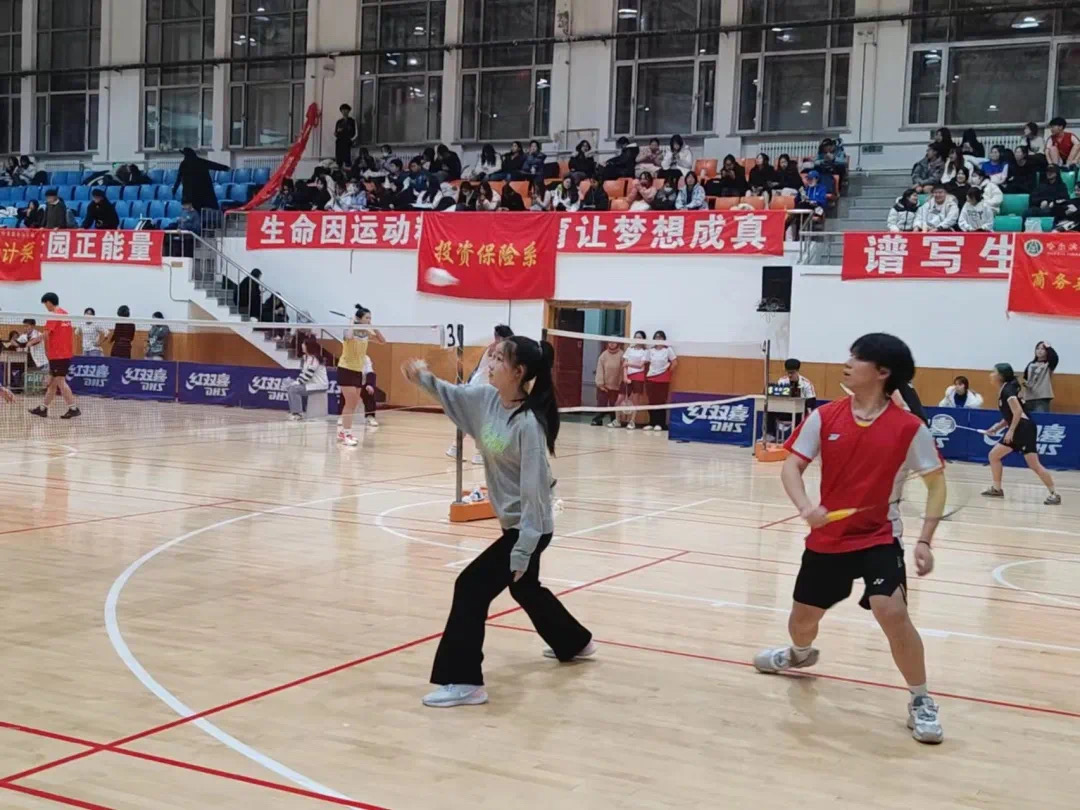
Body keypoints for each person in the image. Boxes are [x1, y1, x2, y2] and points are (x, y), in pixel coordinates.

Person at [754, 332, 946, 745]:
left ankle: (921, 699)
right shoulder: (826, 416)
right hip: (827, 539)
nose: (848, 363)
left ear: (882, 372)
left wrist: (925, 540)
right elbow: (791, 467)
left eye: (858, 358)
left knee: (891, 611)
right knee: (802, 622)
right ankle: (799, 654)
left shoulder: (909, 428)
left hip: (879, 536)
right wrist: (806, 507)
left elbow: (936, 483)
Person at [403, 336, 594, 708]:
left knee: (470, 587)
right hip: (515, 524)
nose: (489, 364)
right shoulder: (487, 400)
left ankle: (465, 681)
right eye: (491, 357)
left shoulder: (528, 426)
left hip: (529, 528)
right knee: (525, 589)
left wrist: (522, 551)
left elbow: (535, 496)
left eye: (498, 360)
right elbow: (452, 395)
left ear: (518, 372)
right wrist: (421, 378)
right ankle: (574, 642)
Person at [981, 363, 1060, 505]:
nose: (991, 374)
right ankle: (997, 489)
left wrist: (1011, 431)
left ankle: (1054, 494)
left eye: (994, 372)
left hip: (1024, 429)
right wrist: (996, 428)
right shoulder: (1005, 389)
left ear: (1000, 376)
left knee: (1034, 464)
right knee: (994, 455)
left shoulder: (1008, 391)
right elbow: (1010, 416)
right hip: (1019, 427)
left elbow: (1017, 411)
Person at [447, 325, 515, 464]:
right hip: (479, 388)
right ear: (499, 338)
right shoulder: (495, 349)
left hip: (480, 386)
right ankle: (479, 454)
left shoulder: (497, 349)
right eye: (507, 339)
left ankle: (455, 448)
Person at [338, 305, 386, 446]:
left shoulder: (366, 333)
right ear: (359, 318)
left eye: (370, 318)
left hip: (358, 371)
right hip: (346, 369)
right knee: (350, 403)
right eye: (367, 318)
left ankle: (343, 432)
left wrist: (373, 327)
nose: (369, 320)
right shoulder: (349, 330)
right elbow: (348, 336)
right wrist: (352, 322)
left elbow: (382, 341)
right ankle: (347, 434)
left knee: (353, 404)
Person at [29, 293, 80, 420]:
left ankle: (73, 408)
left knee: (60, 382)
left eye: (45, 304)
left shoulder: (53, 316)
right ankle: (43, 409)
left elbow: (46, 335)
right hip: (64, 353)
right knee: (52, 383)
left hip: (57, 355)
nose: (46, 307)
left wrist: (32, 342)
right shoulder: (65, 315)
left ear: (49, 302)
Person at [287, 336, 329, 420]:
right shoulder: (306, 357)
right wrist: (296, 381)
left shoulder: (314, 359)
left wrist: (297, 383)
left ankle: (297, 414)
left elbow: (308, 375)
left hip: (319, 385)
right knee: (290, 387)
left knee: (294, 389)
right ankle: (294, 411)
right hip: (310, 384)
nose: (302, 345)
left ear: (308, 346)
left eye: (304, 344)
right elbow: (303, 373)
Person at [644, 331, 676, 432]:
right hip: (651, 378)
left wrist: (667, 372)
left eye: (660, 337)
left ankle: (660, 423)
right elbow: (645, 362)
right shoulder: (650, 351)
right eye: (656, 337)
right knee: (652, 401)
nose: (658, 339)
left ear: (664, 339)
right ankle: (651, 423)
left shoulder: (668, 350)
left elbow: (674, 362)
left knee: (661, 401)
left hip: (663, 378)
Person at [592, 341, 624, 427]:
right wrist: (600, 384)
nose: (612, 344)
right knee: (601, 403)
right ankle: (597, 420)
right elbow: (599, 370)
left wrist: (621, 383)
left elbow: (623, 370)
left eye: (614, 342)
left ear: (617, 343)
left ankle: (614, 421)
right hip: (604, 385)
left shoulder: (622, 355)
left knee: (614, 404)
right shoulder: (603, 355)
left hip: (616, 386)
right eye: (610, 342)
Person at [622, 331, 649, 431]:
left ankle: (632, 421)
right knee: (620, 398)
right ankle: (617, 420)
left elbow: (640, 365)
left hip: (638, 376)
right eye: (636, 337)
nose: (638, 339)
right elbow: (624, 364)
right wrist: (625, 377)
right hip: (628, 376)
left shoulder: (645, 351)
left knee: (635, 400)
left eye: (640, 337)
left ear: (643, 339)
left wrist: (629, 364)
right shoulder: (629, 349)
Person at [1023, 341, 1058, 412]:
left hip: (1042, 397)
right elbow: (1025, 378)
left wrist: (1048, 347)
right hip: (1028, 397)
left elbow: (1055, 358)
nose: (1039, 351)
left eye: (1042, 349)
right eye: (1037, 348)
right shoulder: (1031, 364)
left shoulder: (1048, 364)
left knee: (1041, 416)